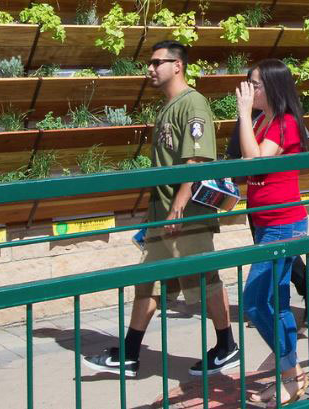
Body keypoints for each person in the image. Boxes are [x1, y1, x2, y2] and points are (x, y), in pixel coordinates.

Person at [83, 41, 238, 378]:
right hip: (163, 213)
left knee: (203, 279)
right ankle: (129, 352)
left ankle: (227, 346)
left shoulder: (193, 104)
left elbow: (196, 160)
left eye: (157, 62)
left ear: (177, 65)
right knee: (148, 282)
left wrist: (178, 209)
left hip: (185, 215)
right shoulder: (167, 106)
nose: (150, 69)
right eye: (149, 63)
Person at [233, 60, 309, 407]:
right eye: (248, 83)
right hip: (267, 221)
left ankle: (292, 374)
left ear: (274, 88)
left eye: (255, 84)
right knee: (277, 304)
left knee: (253, 301)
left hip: (283, 224)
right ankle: (291, 378)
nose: (249, 89)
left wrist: (243, 111)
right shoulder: (263, 120)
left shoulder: (286, 123)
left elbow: (255, 164)